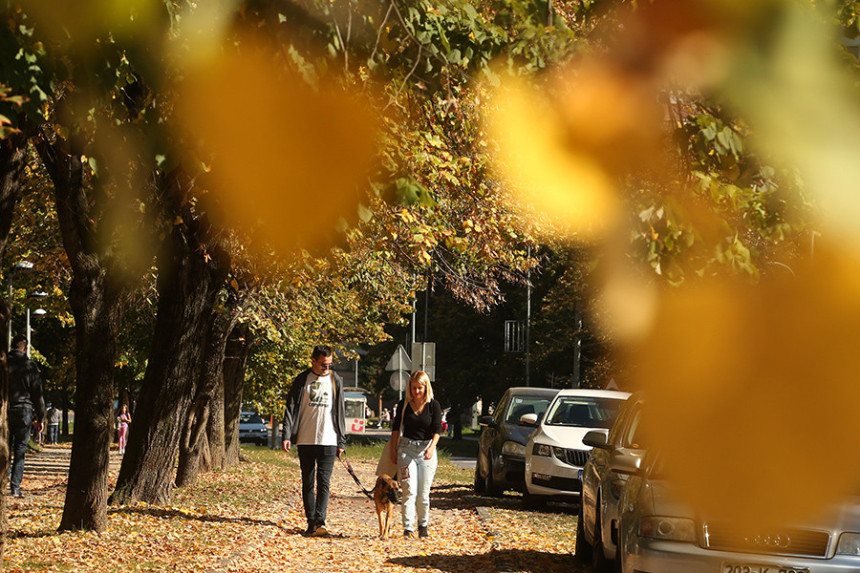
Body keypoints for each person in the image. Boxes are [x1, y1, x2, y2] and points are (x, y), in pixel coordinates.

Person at [281, 345, 346, 537]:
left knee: (324, 483)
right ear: (314, 361)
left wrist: (341, 441)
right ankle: (310, 522)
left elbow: (340, 411)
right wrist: (286, 435)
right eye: (323, 365)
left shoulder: (336, 381)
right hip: (305, 438)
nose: (327, 368)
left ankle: (320, 521)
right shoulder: (302, 380)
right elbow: (290, 408)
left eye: (329, 364)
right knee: (308, 481)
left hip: (329, 438)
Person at [388, 371, 442, 539]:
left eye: (420, 388)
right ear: (409, 388)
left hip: (426, 450)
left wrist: (432, 447)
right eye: (413, 388)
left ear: (426, 387)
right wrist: (393, 449)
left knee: (423, 493)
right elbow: (396, 428)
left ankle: (423, 525)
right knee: (408, 490)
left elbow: (438, 430)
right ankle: (408, 528)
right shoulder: (404, 404)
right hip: (406, 449)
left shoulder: (434, 405)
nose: (416, 391)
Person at [8, 334, 45, 497]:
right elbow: (37, 394)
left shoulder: (3, 363)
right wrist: (41, 417)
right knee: (20, 449)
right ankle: (15, 487)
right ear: (25, 348)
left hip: (5, 410)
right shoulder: (30, 366)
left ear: (11, 346)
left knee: (4, 447)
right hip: (24, 410)